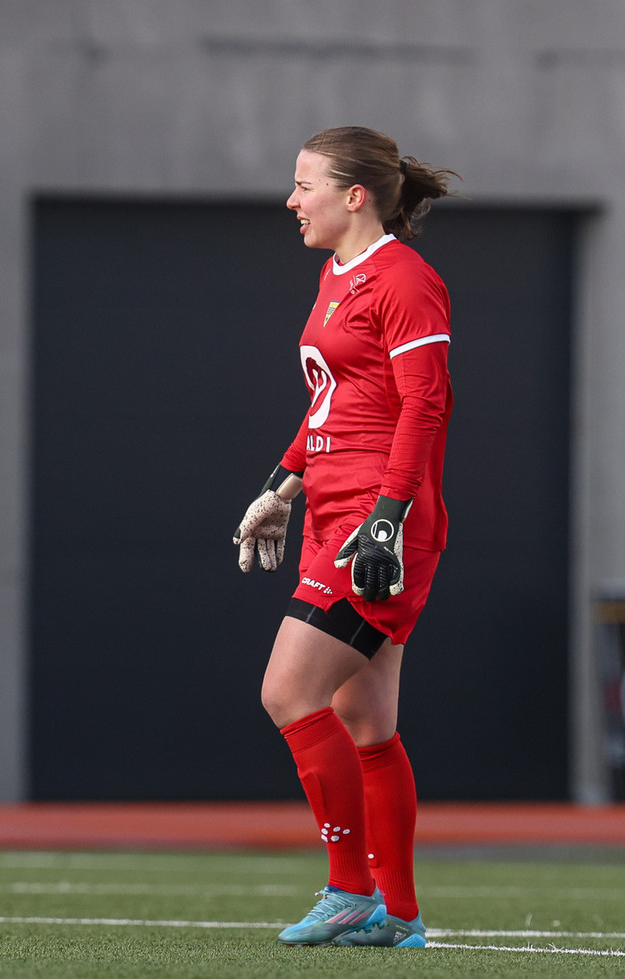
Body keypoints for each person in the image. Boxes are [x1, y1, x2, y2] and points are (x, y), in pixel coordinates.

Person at [234, 126, 457, 948]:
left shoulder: (405, 278)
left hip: (377, 521)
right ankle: (399, 911)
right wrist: (280, 486)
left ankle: (349, 887)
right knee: (366, 721)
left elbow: (424, 404)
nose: (292, 200)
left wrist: (387, 518)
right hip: (335, 510)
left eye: (305, 185)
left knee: (288, 692)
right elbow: (333, 400)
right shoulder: (336, 273)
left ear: (354, 195)